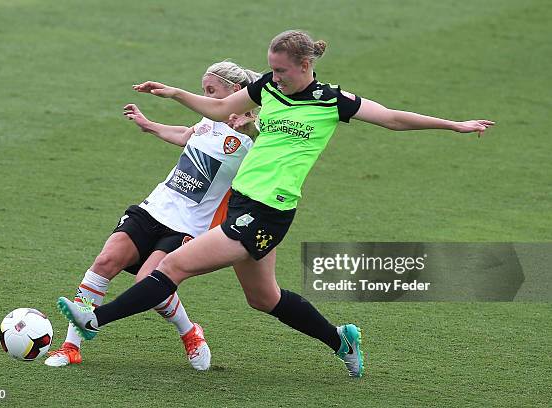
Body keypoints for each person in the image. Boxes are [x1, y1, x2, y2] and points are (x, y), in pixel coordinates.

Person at [57, 30, 495, 377]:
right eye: (271, 69)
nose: (274, 76)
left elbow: (394, 119)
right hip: (244, 204)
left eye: (282, 69)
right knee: (264, 298)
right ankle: (342, 340)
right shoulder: (268, 89)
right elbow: (219, 107)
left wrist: (453, 124)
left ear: (306, 65)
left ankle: (94, 321)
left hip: (269, 213)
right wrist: (173, 93)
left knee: (173, 267)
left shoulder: (333, 101)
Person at [45, 61, 260, 370]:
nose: (206, 97)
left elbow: (264, 150)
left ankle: (190, 332)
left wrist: (251, 127)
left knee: (149, 281)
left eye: (211, 91)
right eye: (204, 91)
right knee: (106, 261)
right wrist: (149, 125)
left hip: (189, 225)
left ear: (236, 92)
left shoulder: (255, 135)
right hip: (155, 207)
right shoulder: (210, 119)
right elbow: (186, 135)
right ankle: (70, 347)